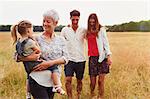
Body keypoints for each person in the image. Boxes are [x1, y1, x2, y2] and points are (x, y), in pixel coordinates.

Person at [14, 9, 68, 99]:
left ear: (56, 23)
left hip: (52, 83)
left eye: (48, 21)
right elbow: (17, 56)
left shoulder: (61, 40)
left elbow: (66, 58)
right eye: (43, 21)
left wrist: (49, 63)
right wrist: (31, 58)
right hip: (37, 80)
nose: (45, 24)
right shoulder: (35, 38)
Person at [61, 10, 86, 99]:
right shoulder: (65, 29)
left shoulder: (83, 30)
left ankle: (78, 96)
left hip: (81, 59)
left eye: (77, 19)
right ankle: (70, 97)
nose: (75, 22)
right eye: (73, 19)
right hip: (69, 59)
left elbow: (91, 37)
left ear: (79, 18)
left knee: (79, 80)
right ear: (70, 18)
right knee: (68, 80)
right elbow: (61, 43)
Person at [86, 13, 112, 99]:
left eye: (94, 20)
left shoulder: (101, 30)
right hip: (92, 58)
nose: (92, 22)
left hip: (102, 58)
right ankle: (92, 95)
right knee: (93, 82)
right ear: (89, 21)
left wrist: (109, 56)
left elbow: (106, 43)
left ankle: (100, 97)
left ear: (96, 20)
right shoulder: (87, 31)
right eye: (90, 20)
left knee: (101, 81)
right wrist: (69, 26)